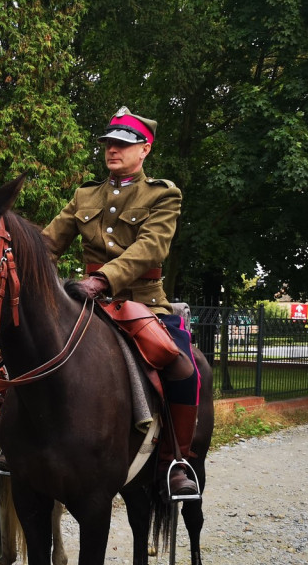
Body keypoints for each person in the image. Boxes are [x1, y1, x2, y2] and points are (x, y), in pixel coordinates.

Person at [41, 107, 201, 498]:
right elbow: (47, 244)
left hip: (142, 303)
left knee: (183, 367)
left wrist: (103, 278)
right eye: (109, 143)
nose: (113, 150)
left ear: (144, 149)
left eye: (123, 144)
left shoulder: (163, 194)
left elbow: (151, 248)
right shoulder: (85, 194)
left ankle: (174, 458)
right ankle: (28, 448)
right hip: (84, 303)